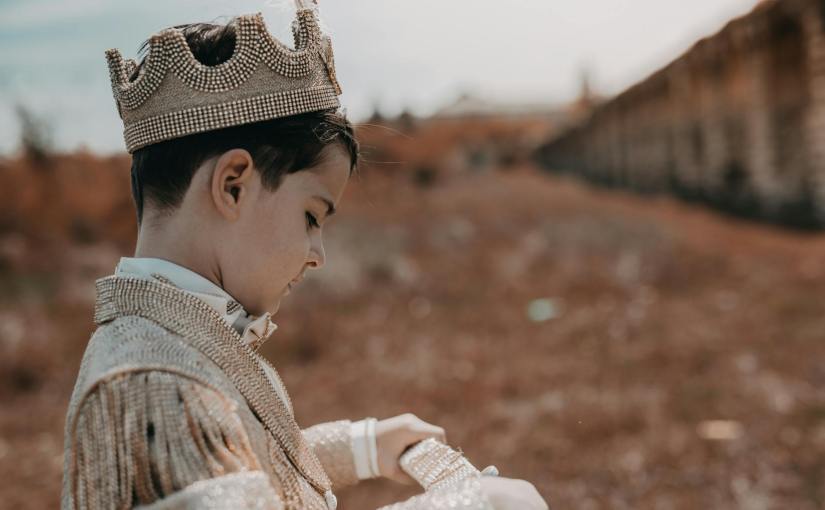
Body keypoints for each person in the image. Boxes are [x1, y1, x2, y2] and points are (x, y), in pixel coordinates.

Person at [61, 1, 548, 509]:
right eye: (312, 217)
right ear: (232, 186)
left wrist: (363, 447)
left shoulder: (169, 342)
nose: (318, 255)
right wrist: (477, 503)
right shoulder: (155, 384)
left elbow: (241, 461)